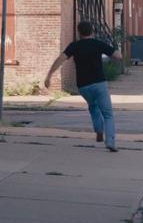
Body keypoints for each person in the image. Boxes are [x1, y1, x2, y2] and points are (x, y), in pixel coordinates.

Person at [44, 21, 122, 152]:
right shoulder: (98, 44)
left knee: (93, 106)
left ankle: (98, 131)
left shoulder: (74, 46)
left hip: (83, 86)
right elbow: (118, 56)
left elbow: (60, 59)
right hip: (99, 83)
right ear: (92, 31)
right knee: (108, 114)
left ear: (79, 32)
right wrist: (116, 48)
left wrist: (49, 75)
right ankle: (110, 141)